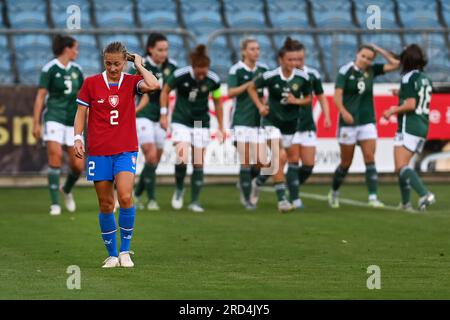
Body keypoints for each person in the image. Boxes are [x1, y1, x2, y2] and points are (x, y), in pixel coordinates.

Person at [73, 42, 159, 268]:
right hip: (99, 151)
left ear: (124, 62)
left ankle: (125, 251)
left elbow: (154, 84)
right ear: (104, 61)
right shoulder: (91, 83)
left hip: (125, 149)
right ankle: (111, 254)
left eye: (117, 64)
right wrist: (78, 138)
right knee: (105, 203)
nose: (113, 68)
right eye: (108, 63)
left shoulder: (131, 82)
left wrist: (139, 64)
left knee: (125, 196)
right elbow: (81, 113)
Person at [328, 44, 400, 208]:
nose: (366, 60)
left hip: (367, 121)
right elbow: (337, 97)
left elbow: (396, 64)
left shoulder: (371, 70)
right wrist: (344, 112)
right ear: (357, 54)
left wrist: (380, 50)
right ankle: (334, 191)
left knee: (370, 158)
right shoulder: (345, 71)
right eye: (363, 56)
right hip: (348, 124)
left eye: (369, 58)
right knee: (346, 163)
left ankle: (373, 197)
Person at [248, 37, 312, 212]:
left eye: (296, 59)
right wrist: (261, 106)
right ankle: (282, 200)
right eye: (289, 59)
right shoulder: (270, 76)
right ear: (281, 60)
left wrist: (296, 101)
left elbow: (308, 98)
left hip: (290, 124)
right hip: (271, 122)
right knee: (279, 156)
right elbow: (251, 88)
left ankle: (258, 181)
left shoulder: (303, 78)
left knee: (284, 160)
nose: (293, 63)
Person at [160, 45, 224, 212]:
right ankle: (180, 189)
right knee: (182, 156)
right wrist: (164, 114)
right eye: (198, 71)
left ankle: (195, 201)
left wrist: (222, 126)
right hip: (181, 119)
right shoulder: (180, 75)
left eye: (204, 71)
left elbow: (217, 101)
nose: (201, 75)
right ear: (193, 66)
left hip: (200, 122)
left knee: (198, 162)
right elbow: (165, 91)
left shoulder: (213, 80)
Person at [32, 35, 84, 216]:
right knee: (54, 157)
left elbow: (84, 97)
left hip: (72, 120)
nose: (77, 51)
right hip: (54, 116)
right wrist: (36, 123)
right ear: (66, 49)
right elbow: (40, 97)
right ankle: (55, 204)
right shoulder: (49, 69)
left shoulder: (77, 69)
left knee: (78, 166)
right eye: (75, 48)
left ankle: (67, 189)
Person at [383, 44, 435, 211]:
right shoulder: (425, 78)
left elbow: (411, 105)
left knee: (401, 167)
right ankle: (405, 203)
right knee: (402, 167)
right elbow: (417, 96)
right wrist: (400, 94)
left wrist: (392, 110)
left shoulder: (408, 78)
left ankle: (424, 193)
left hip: (409, 125)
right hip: (422, 125)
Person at [132, 33, 178, 211]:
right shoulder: (141, 66)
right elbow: (130, 87)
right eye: (160, 49)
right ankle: (152, 199)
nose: (164, 53)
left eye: (166, 49)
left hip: (161, 118)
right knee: (150, 155)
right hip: (143, 115)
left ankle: (136, 195)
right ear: (150, 49)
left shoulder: (172, 67)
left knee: (154, 161)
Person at [227, 37, 268, 210]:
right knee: (245, 160)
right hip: (241, 121)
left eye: (258, 48)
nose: (256, 52)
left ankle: (247, 182)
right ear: (244, 51)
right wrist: (248, 85)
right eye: (252, 49)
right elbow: (230, 92)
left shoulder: (264, 69)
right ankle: (247, 200)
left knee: (261, 162)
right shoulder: (236, 70)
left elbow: (266, 92)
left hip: (257, 122)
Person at [291, 39, 331, 208]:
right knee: (293, 162)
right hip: (289, 126)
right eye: (295, 59)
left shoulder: (312, 74)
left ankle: (291, 187)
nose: (298, 62)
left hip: (307, 124)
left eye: (301, 58)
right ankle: (294, 197)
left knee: (308, 165)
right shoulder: (283, 75)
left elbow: (321, 96)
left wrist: (327, 116)